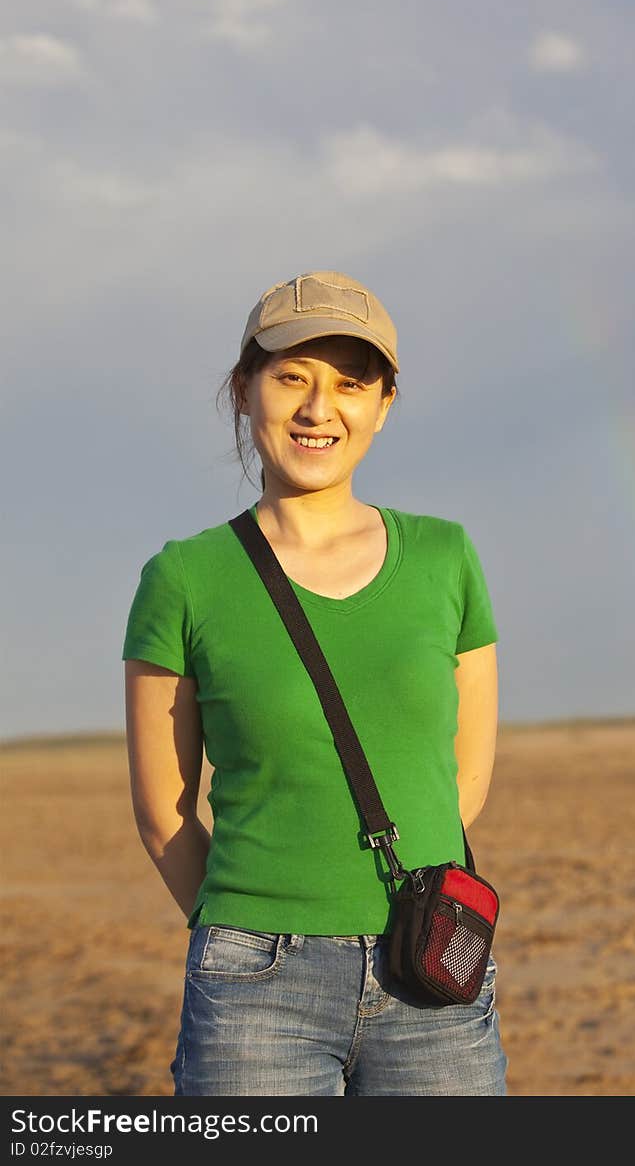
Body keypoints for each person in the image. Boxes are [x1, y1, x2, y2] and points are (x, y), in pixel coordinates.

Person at [122, 269, 508, 1096]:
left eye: (349, 383)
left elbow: (463, 777)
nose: (317, 409)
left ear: (385, 403)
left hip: (432, 971)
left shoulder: (446, 557)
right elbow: (163, 809)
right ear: (244, 389)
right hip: (255, 991)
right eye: (291, 376)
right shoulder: (183, 578)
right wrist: (240, 931)